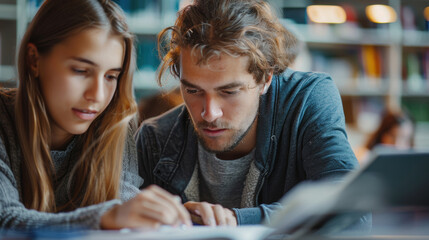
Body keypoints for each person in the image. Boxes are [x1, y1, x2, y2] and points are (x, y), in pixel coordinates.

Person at [136, 0, 360, 227]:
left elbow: (351, 209)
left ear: (265, 79)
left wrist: (237, 220)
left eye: (229, 91)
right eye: (193, 90)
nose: (210, 113)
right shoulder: (154, 139)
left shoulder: (306, 100)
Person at [0, 0, 191, 230]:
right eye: (81, 71)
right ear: (34, 60)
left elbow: (124, 210)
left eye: (111, 76)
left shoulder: (117, 126)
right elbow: (5, 220)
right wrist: (104, 217)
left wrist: (172, 216)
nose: (97, 95)